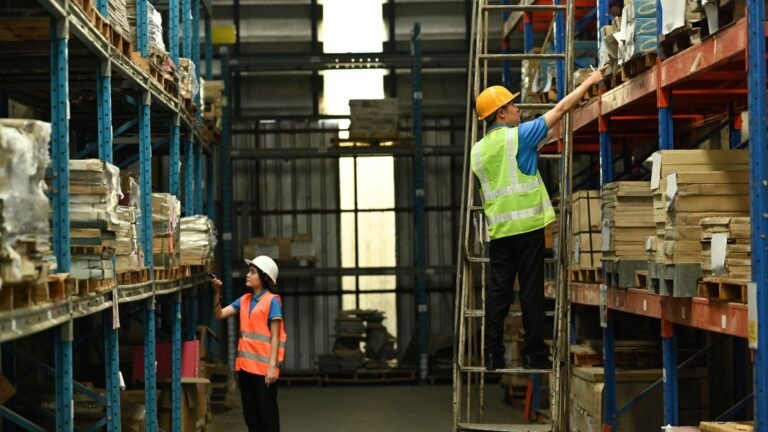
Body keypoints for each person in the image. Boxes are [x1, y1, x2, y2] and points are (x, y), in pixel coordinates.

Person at [472, 68, 606, 371]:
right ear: (501, 113)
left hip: (500, 231)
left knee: (498, 292)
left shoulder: (477, 152)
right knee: (531, 290)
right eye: (513, 106)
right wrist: (590, 81)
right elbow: (559, 109)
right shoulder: (519, 135)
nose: (518, 109)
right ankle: (535, 353)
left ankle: (491, 354)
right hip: (529, 226)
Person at [212, 255, 287, 432]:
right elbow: (219, 314)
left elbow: (275, 336)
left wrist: (271, 367)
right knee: (251, 419)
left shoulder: (272, 301)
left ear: (264, 278)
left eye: (252, 272)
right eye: (249, 271)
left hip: (263, 372)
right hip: (246, 369)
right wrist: (217, 292)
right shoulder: (244, 300)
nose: (248, 275)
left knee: (267, 419)